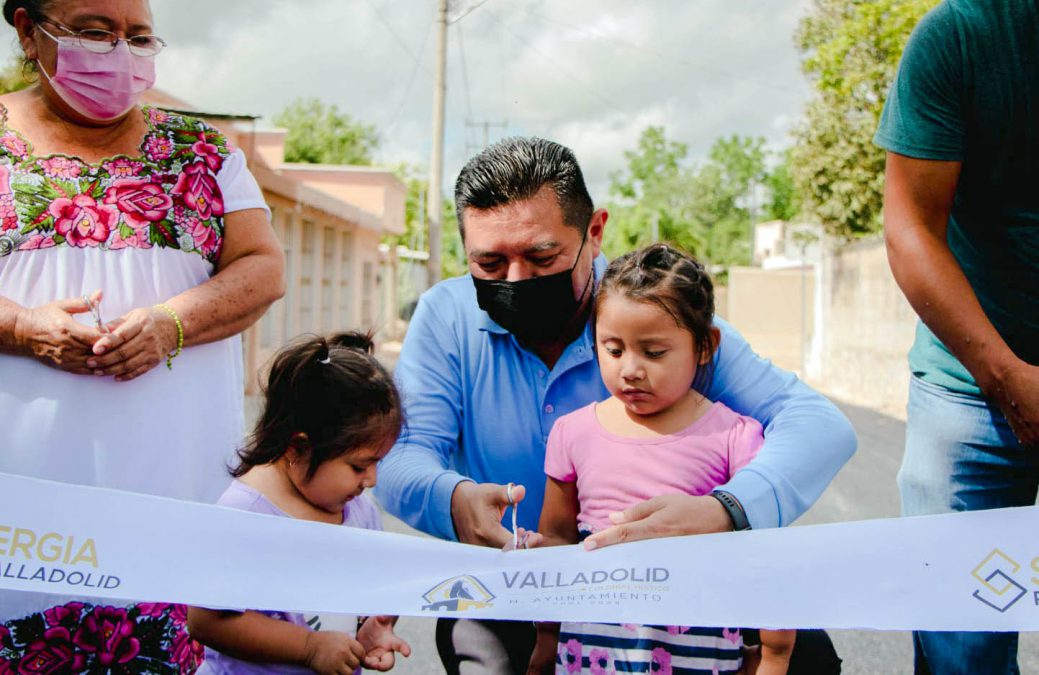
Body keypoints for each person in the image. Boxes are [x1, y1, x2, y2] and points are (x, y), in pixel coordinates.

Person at [375, 137, 855, 674]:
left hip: (684, 592)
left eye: (541, 256)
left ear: (595, 233)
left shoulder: (656, 315)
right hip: (516, 591)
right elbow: (398, 456)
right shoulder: (445, 318)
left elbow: (817, 425)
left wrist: (727, 511)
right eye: (489, 262)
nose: (516, 280)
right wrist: (454, 499)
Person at [0, 0, 284, 669]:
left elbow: (263, 268)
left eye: (138, 36)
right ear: (25, 29)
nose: (119, 55)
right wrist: (21, 325)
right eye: (94, 33)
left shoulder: (204, 152)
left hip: (173, 534)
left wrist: (171, 323)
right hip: (19, 537)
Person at [874, 0, 1039, 672]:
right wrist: (1005, 375)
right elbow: (911, 228)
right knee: (960, 645)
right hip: (971, 391)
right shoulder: (961, 36)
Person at [532, 243, 795, 675]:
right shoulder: (572, 433)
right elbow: (556, 543)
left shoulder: (734, 436)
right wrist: (545, 640)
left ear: (705, 346)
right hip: (590, 656)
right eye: (613, 350)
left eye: (653, 353)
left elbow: (765, 553)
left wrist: (775, 653)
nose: (630, 369)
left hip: (700, 657)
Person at [188, 332, 411, 675]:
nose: (371, 481)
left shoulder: (359, 511)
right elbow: (207, 621)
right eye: (358, 466)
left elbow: (367, 589)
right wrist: (309, 648)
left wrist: (373, 626)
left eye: (377, 463)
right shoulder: (244, 514)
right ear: (298, 447)